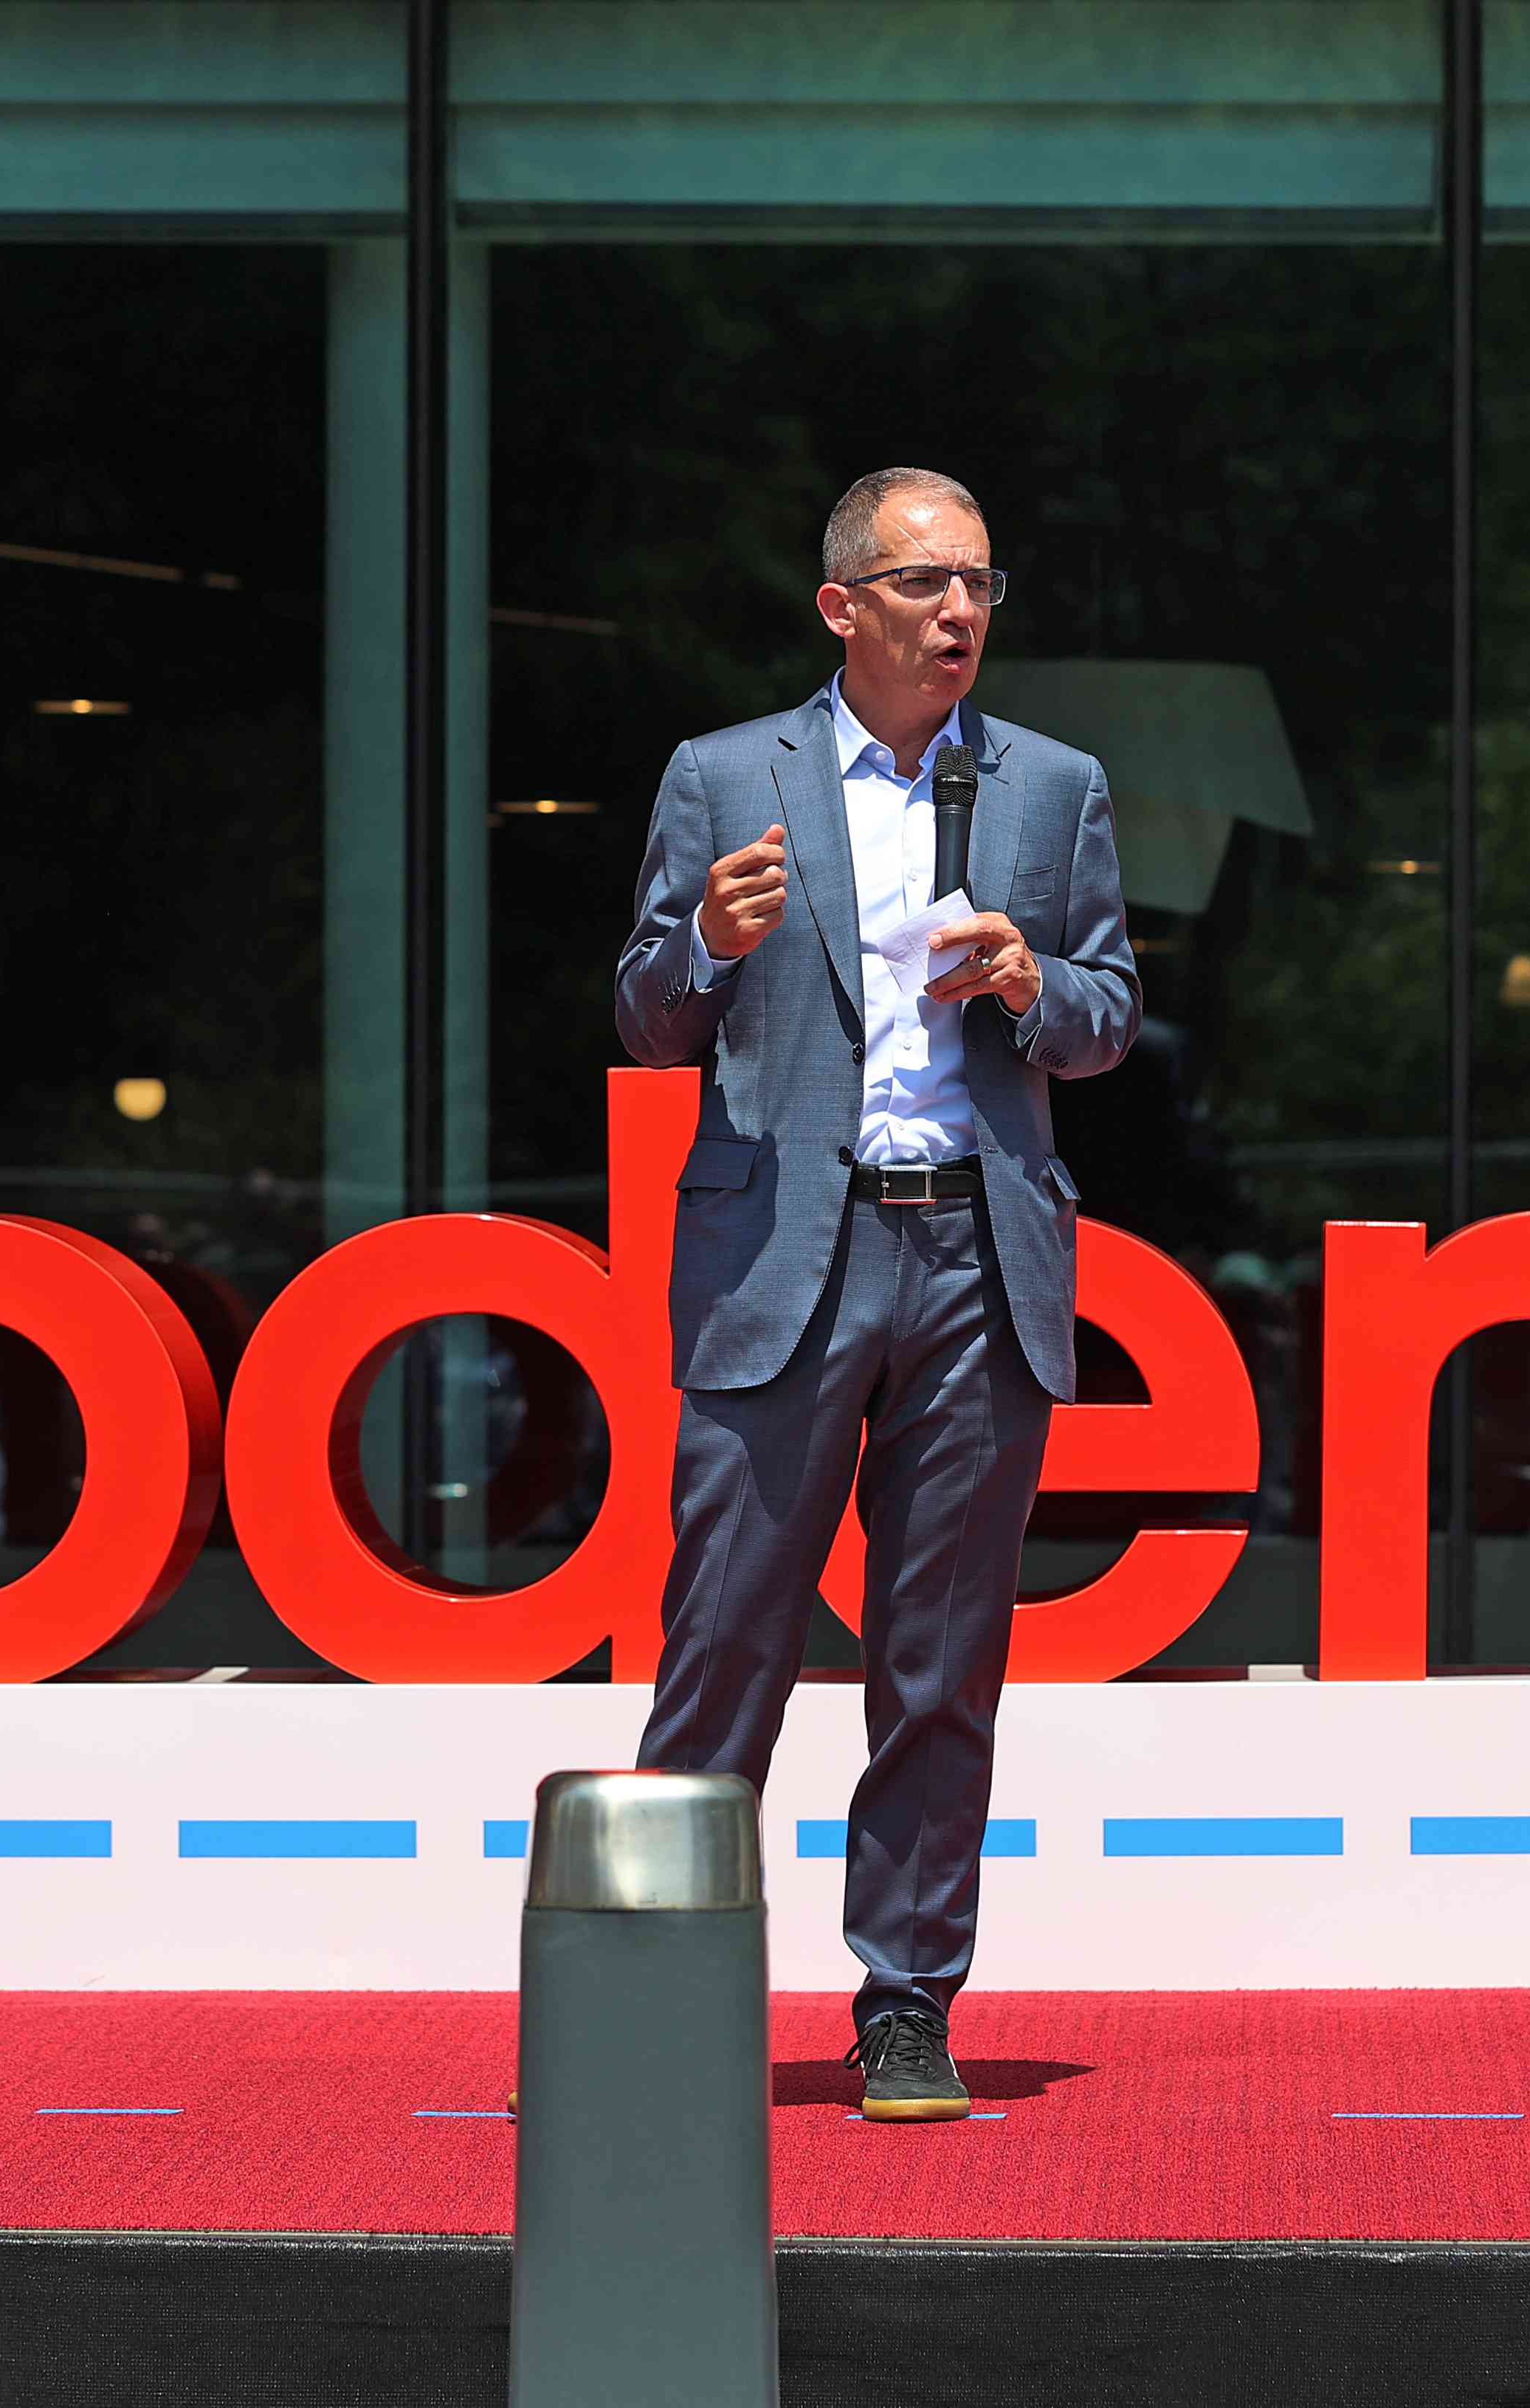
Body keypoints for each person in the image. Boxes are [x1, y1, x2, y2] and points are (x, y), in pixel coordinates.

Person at [611, 466, 1137, 2122]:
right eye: (923, 585)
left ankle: (905, 2005)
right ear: (842, 606)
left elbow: (1112, 1014)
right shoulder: (722, 777)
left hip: (978, 1251)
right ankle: (653, 2009)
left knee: (938, 1658)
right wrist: (702, 936)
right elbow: (642, 1018)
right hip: (785, 1255)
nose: (960, 613)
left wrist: (1035, 983)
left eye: (979, 582)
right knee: (724, 1639)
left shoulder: (1050, 788)